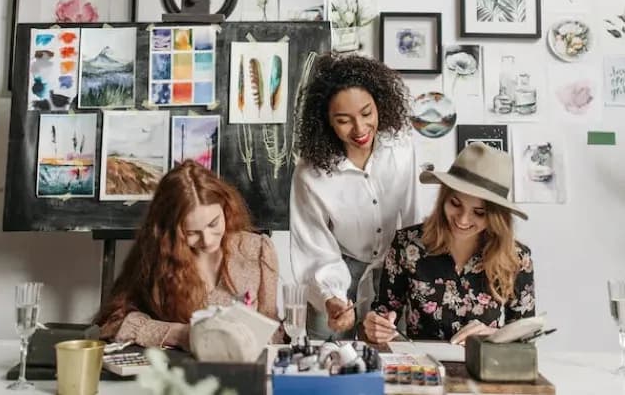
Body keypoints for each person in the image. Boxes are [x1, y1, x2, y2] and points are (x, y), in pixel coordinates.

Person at [289, 53, 419, 339]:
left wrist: (411, 275)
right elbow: (314, 248)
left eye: (366, 113)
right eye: (344, 120)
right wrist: (332, 298)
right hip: (336, 269)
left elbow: (412, 216)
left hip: (393, 268)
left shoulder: (401, 146)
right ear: (327, 122)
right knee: (326, 360)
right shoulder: (310, 175)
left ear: (380, 104)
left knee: (390, 361)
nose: (360, 129)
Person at [94, 160, 280, 350]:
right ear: (170, 232)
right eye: (191, 233)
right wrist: (181, 334)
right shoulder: (157, 255)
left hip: (243, 369)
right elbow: (111, 324)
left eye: (214, 224)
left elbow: (274, 334)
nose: (207, 240)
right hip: (180, 373)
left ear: (226, 207)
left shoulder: (257, 250)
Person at [363, 142, 535, 345]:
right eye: (455, 203)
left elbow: (525, 336)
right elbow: (383, 313)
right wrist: (375, 326)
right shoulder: (406, 244)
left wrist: (491, 336)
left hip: (486, 367)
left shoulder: (516, 258)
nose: (462, 220)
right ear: (443, 198)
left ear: (496, 217)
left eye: (479, 213)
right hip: (423, 367)